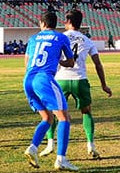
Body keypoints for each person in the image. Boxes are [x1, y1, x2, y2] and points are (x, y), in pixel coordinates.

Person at [40, 9, 112, 159]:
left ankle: (50, 144)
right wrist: (104, 85)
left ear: (69, 22)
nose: (64, 23)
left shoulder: (59, 38)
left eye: (65, 20)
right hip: (80, 80)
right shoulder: (87, 40)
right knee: (86, 112)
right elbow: (98, 64)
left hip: (61, 80)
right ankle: (90, 145)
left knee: (54, 112)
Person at [22, 11, 78, 171]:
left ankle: (33, 148)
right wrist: (59, 61)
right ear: (55, 24)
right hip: (44, 79)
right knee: (64, 118)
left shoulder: (33, 38)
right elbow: (71, 62)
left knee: (47, 117)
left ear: (42, 23)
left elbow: (26, 62)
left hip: (28, 80)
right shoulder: (61, 37)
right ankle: (61, 159)